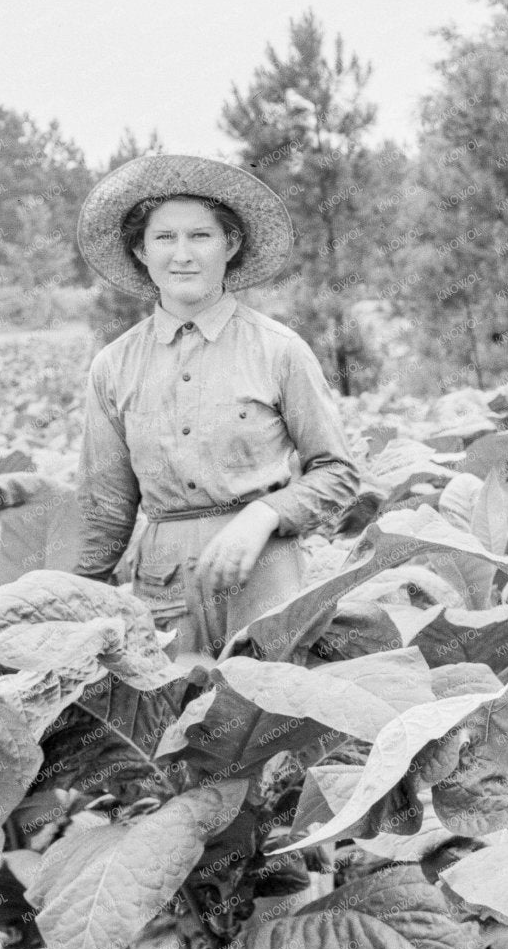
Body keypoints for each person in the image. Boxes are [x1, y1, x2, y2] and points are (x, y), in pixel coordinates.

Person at [71, 154, 361, 658]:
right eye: (164, 238)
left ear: (231, 245)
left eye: (200, 236)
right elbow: (107, 513)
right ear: (140, 250)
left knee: (267, 722)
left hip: (266, 580)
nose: (182, 254)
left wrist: (263, 515)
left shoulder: (280, 349)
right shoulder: (113, 367)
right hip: (165, 597)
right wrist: (64, 610)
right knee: (168, 723)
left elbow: (337, 474)